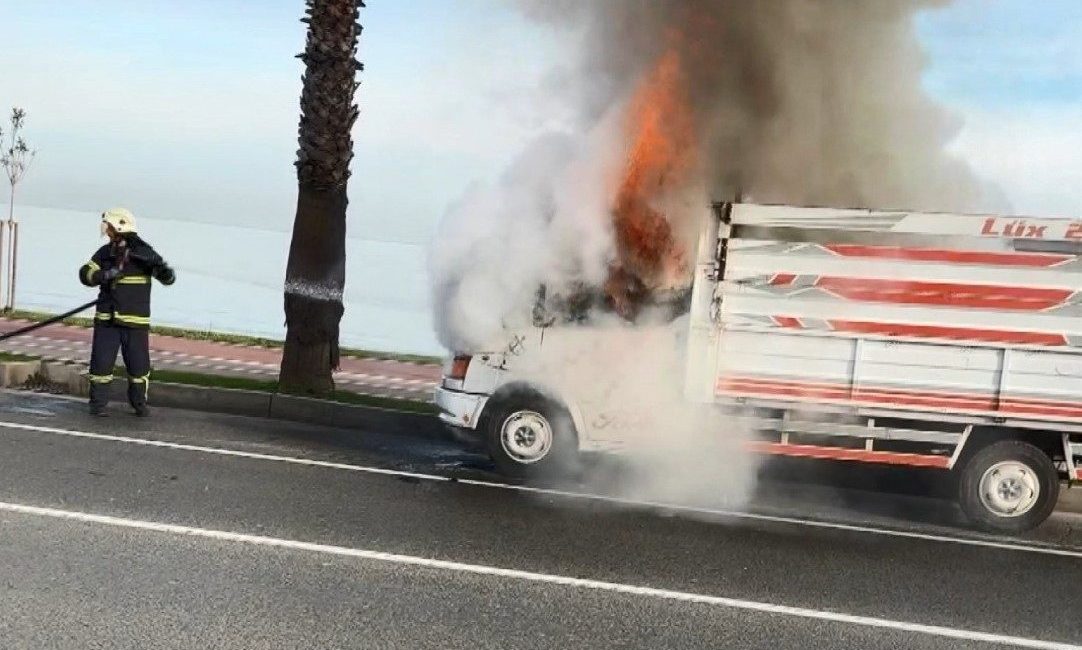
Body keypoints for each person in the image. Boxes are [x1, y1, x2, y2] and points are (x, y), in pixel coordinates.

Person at [78, 208, 176, 417]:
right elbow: (84, 273)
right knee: (100, 365)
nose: (107, 232)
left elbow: (167, 279)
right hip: (107, 322)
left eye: (110, 227)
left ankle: (139, 404)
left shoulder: (144, 253)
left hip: (135, 324)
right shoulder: (106, 253)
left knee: (139, 367)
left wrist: (162, 269)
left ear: (120, 227)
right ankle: (97, 405)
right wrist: (103, 275)